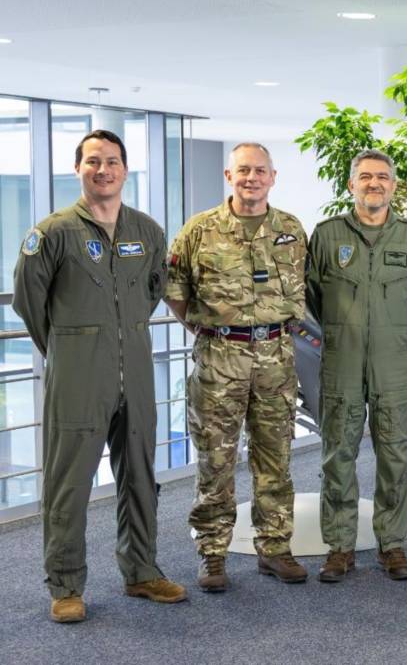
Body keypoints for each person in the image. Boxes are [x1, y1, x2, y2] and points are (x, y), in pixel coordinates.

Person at [13, 130, 186, 623]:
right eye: (93, 162)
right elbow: (30, 303)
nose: (103, 170)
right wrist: (74, 345)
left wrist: (119, 336)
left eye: (112, 161)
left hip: (135, 363)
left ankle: (142, 571)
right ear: (78, 170)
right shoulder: (52, 232)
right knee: (69, 482)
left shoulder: (147, 231)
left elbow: (153, 292)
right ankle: (66, 585)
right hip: (77, 372)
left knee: (139, 475)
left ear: (125, 170)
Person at [166, 142, 308, 590]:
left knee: (275, 456)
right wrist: (211, 331)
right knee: (216, 458)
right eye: (242, 170)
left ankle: (274, 548)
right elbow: (175, 291)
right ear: (229, 177)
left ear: (273, 176)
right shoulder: (199, 230)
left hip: (276, 358)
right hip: (218, 360)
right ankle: (213, 554)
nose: (251, 177)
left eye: (259, 170)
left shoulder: (290, 229)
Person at [305, 150, 407, 582]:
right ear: (351, 184)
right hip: (341, 360)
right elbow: (311, 295)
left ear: (393, 186)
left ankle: (392, 544)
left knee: (394, 456)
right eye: (365, 177)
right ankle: (340, 546)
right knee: (337, 456)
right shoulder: (326, 236)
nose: (374, 183)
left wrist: (389, 330)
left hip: (393, 362)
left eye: (382, 177)